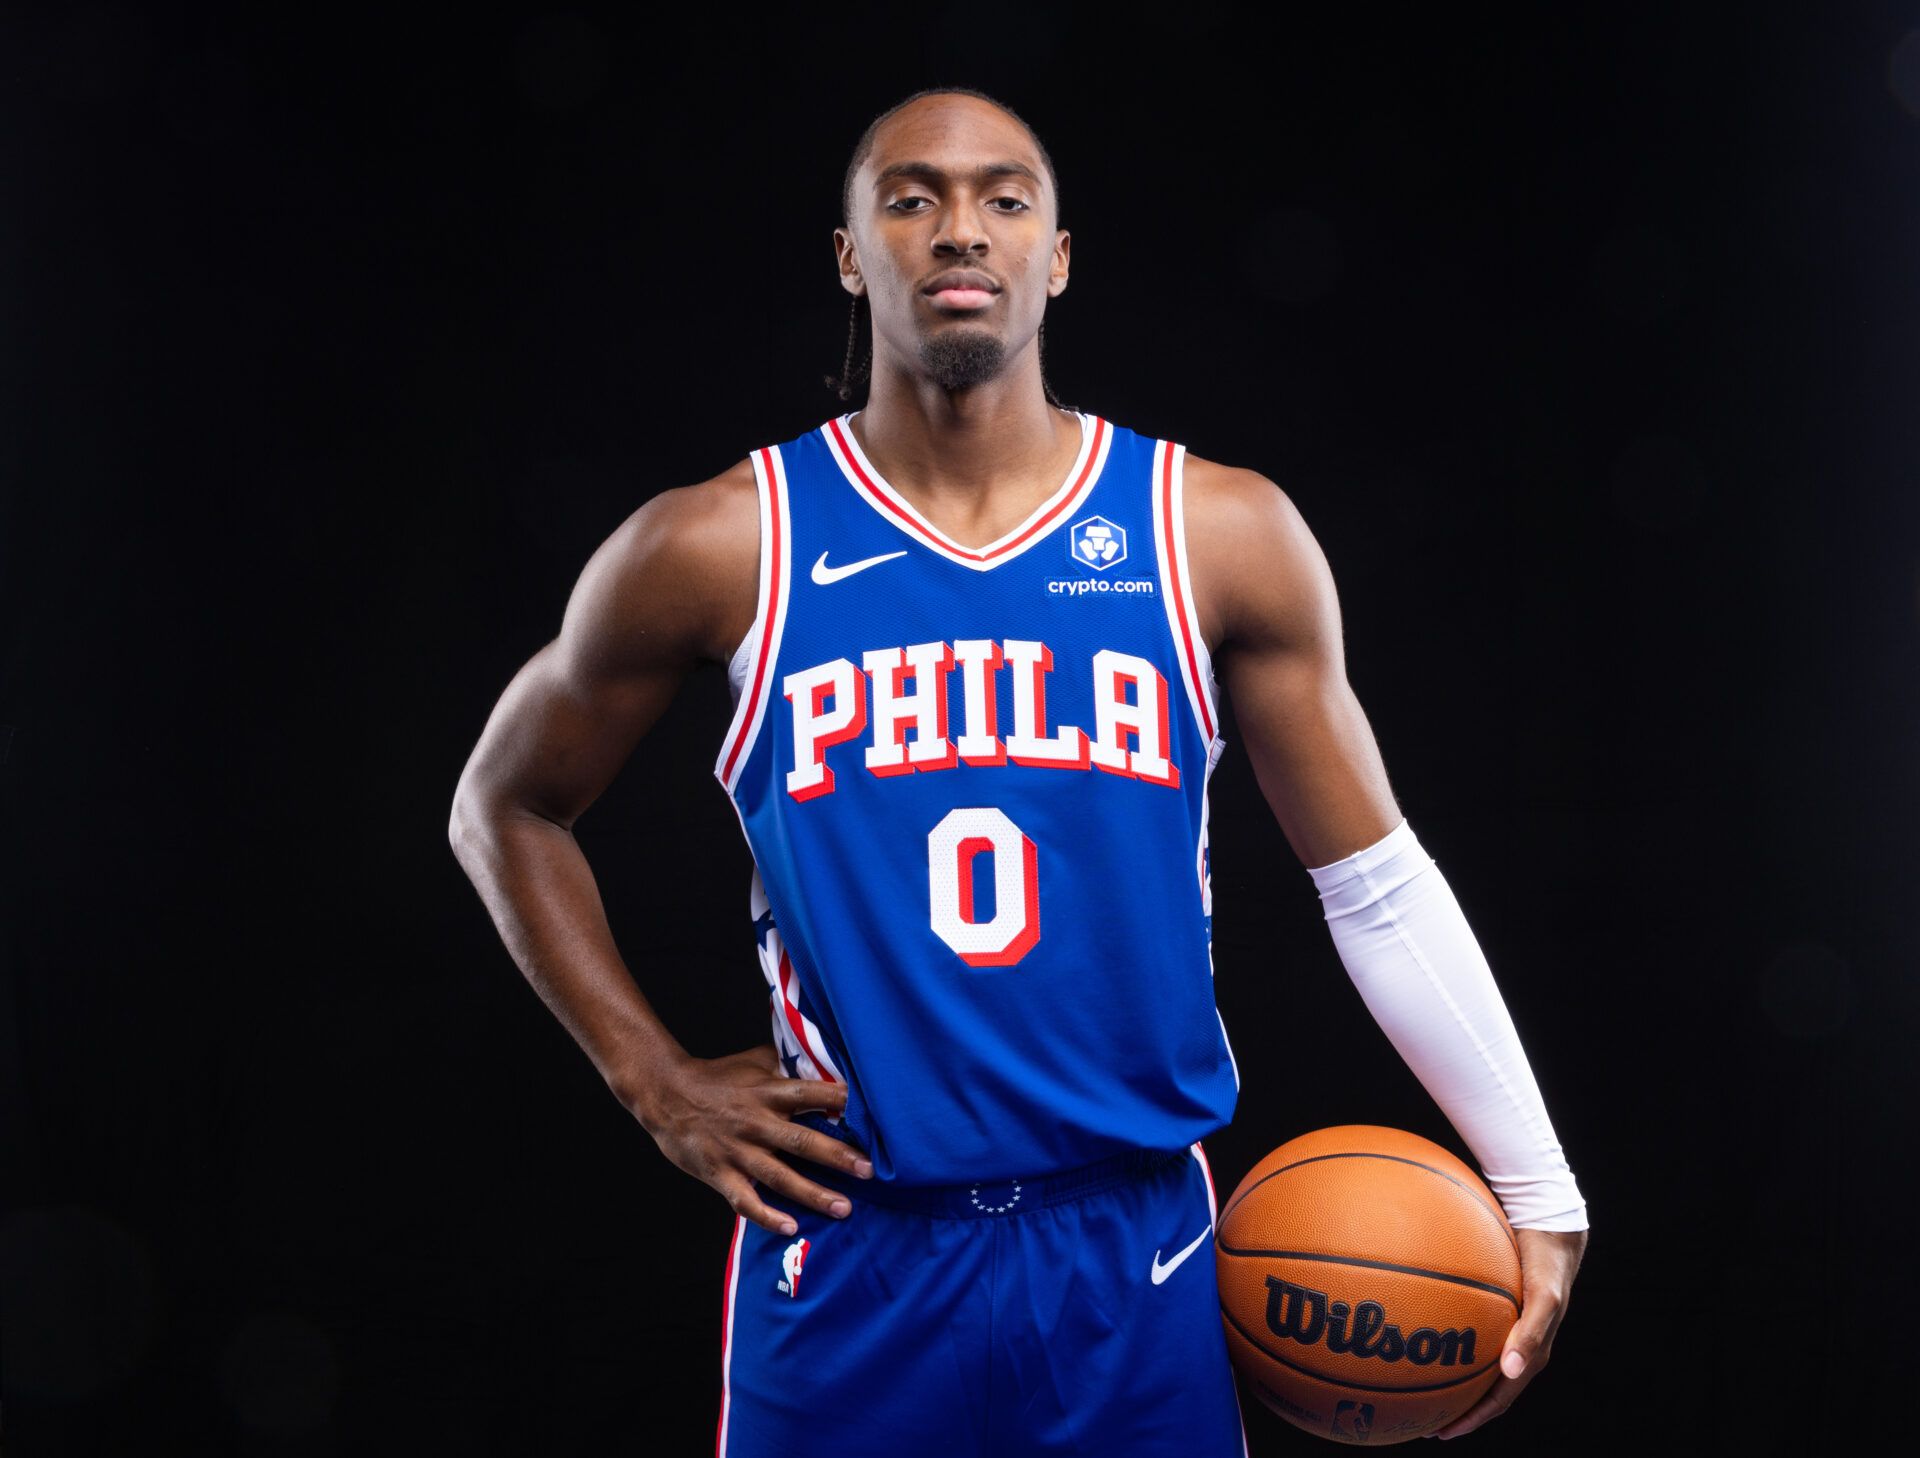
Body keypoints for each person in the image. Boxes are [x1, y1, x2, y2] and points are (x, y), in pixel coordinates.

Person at [448, 86, 1589, 1456]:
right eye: (912, 197)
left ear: (1055, 257)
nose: (959, 231)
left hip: (1136, 1253)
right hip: (852, 1250)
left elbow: (1375, 883)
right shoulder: (722, 545)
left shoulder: (1211, 532)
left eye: (1004, 198)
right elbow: (503, 805)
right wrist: (654, 1079)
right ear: (852, 255)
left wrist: (1539, 1182)